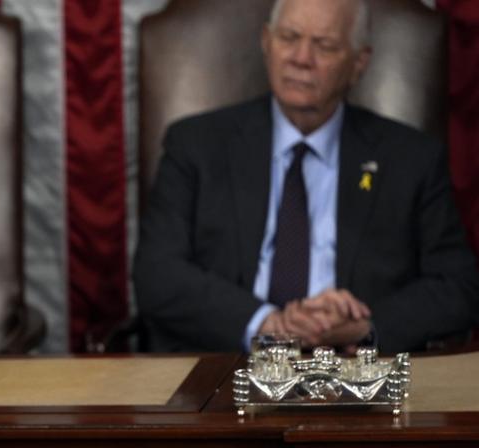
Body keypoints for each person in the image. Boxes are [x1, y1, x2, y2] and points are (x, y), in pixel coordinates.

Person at [134, 0, 479, 353]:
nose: (301, 58)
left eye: (324, 45)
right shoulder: (196, 145)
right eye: (289, 37)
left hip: (357, 378)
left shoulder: (410, 158)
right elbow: (156, 273)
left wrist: (364, 327)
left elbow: (458, 286)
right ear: (266, 42)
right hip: (226, 369)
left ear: (359, 62)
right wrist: (267, 323)